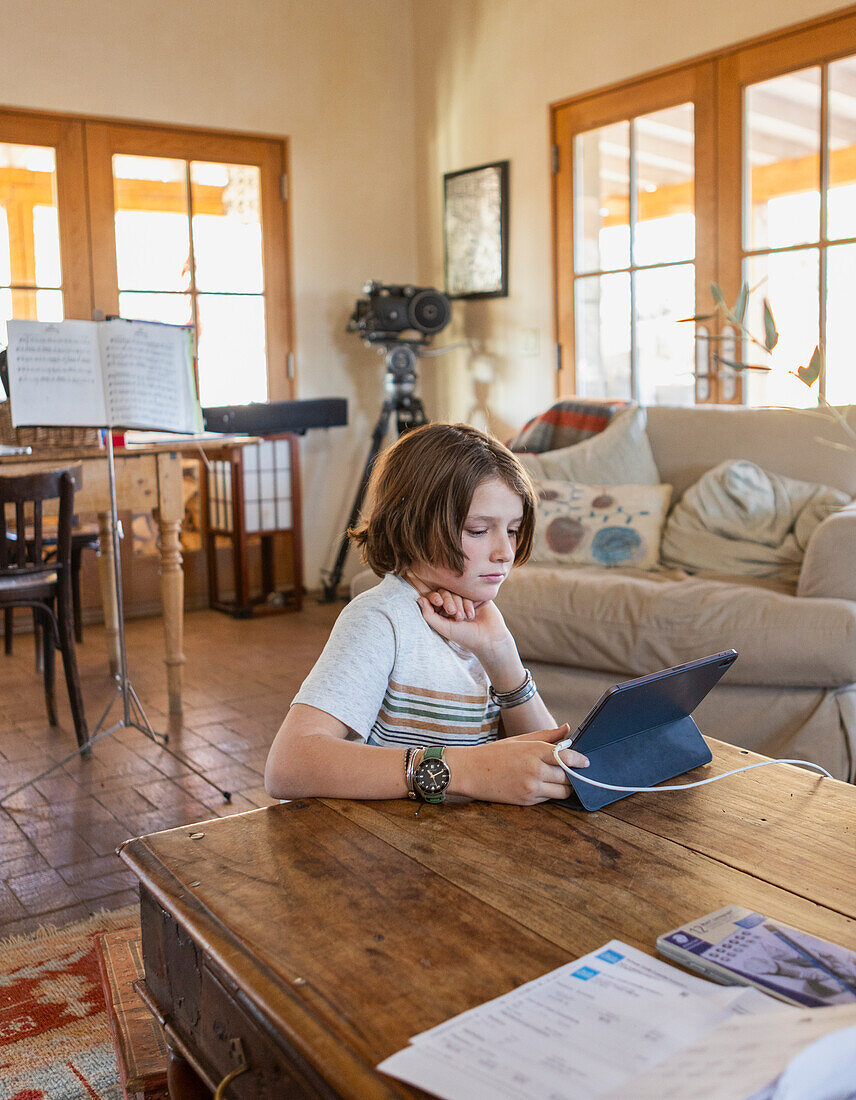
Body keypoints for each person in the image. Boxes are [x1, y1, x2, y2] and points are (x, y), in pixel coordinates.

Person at [264, 421, 589, 805]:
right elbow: (288, 766)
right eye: (478, 530)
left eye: (514, 530)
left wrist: (502, 657)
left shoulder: (478, 621)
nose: (504, 551)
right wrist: (462, 770)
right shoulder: (381, 619)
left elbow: (552, 772)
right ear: (414, 524)